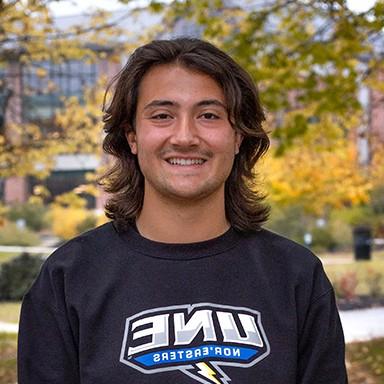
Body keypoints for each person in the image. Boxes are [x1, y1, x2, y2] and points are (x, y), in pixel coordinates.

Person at [18, 38, 348, 383]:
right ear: (132, 136)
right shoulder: (67, 279)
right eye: (162, 116)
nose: (185, 136)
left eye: (208, 115)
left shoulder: (295, 276)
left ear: (237, 136)